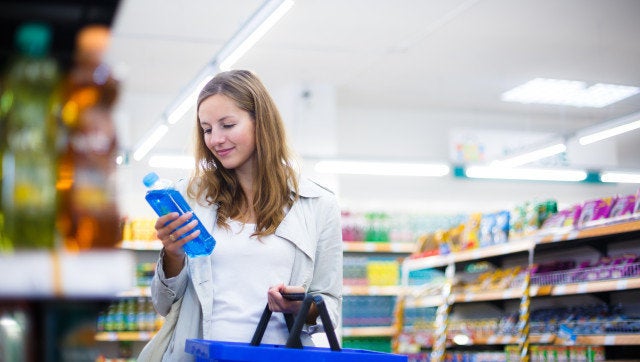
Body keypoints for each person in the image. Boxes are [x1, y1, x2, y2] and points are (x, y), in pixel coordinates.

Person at [147, 69, 343, 360]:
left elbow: (329, 305)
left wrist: (300, 305)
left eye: (227, 124)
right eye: (207, 128)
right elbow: (163, 305)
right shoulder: (189, 198)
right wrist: (172, 254)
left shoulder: (317, 204)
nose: (215, 139)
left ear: (260, 122)